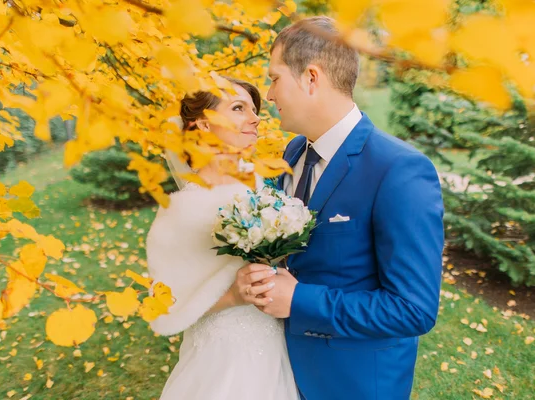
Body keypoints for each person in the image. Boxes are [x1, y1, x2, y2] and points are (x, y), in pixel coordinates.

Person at [234, 17, 445, 399]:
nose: (268, 93)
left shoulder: (399, 171)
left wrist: (299, 300)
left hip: (354, 383)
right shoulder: (295, 151)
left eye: (275, 78)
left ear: (311, 78)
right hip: (281, 371)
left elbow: (413, 310)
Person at [146, 77, 299, 400]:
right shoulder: (181, 211)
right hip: (225, 362)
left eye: (254, 109)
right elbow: (160, 307)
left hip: (279, 346)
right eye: (239, 108)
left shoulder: (262, 190)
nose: (255, 118)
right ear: (202, 124)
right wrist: (233, 295)